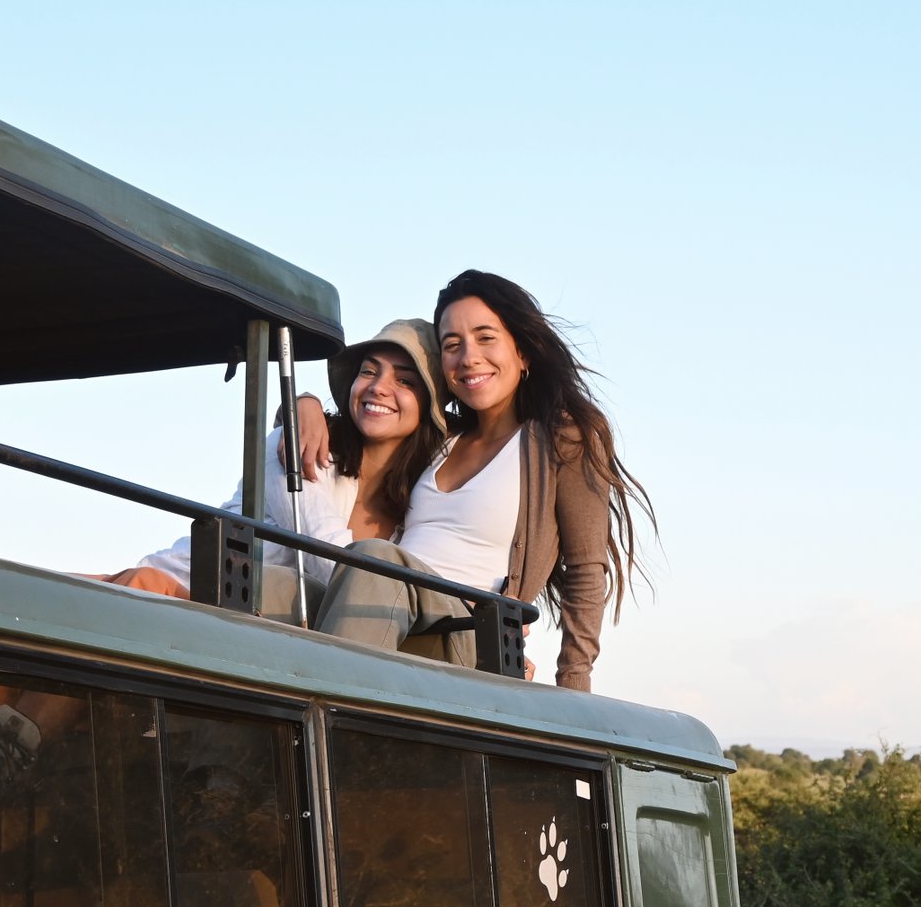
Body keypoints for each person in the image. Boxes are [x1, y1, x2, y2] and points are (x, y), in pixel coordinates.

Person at [312, 272, 652, 691]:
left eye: (485, 338)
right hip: (387, 605)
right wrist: (302, 404)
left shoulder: (562, 436)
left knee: (374, 562)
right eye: (452, 345)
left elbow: (585, 569)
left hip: (464, 631)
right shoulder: (441, 438)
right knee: (273, 586)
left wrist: (573, 685)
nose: (468, 357)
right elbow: (365, 430)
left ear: (523, 351)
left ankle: (325, 724)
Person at [109, 318, 445, 600]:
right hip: (172, 593)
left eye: (404, 380)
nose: (378, 387)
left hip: (254, 633)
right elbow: (330, 561)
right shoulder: (295, 443)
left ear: (429, 404)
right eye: (369, 372)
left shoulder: (420, 503)